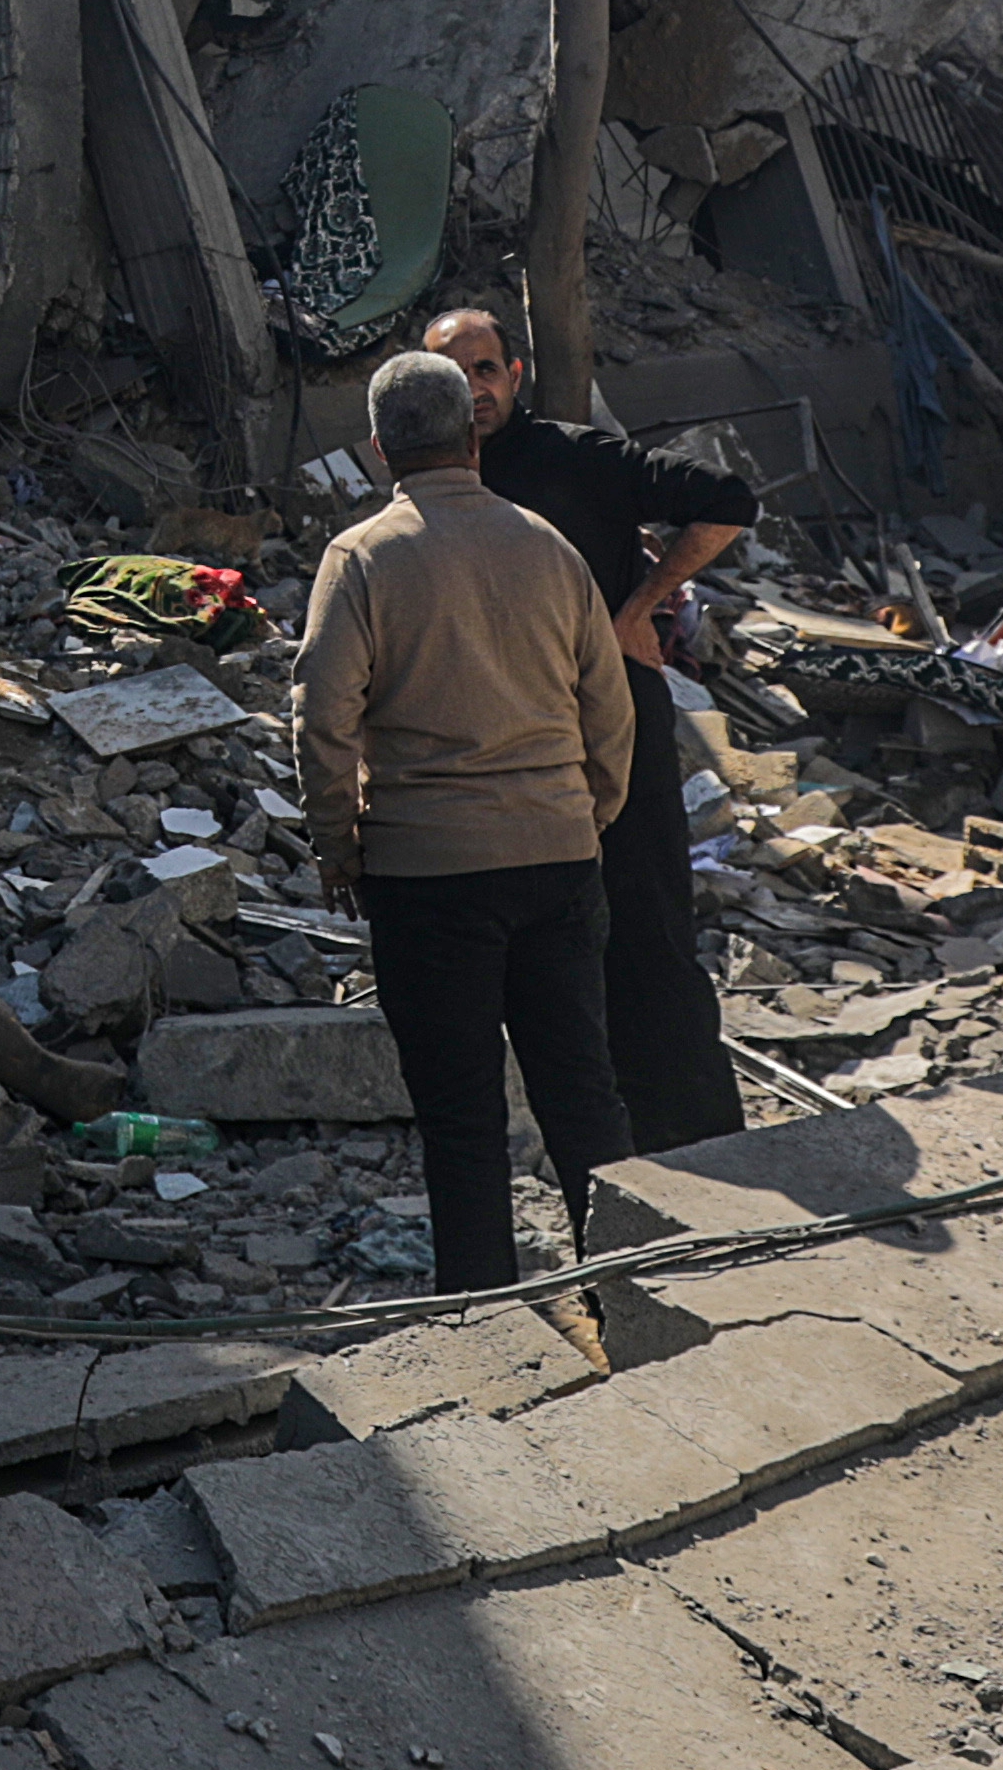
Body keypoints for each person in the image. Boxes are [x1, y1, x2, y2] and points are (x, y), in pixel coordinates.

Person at [298, 350, 633, 1292]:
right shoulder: (549, 547)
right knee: (583, 1097)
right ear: (472, 437)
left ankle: (481, 1315)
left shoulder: (362, 557)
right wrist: (585, 816)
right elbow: (610, 709)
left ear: (379, 449)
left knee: (460, 1116)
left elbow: (322, 718)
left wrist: (340, 846)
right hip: (558, 858)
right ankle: (632, 1293)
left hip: (427, 876)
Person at [420, 300, 744, 1151]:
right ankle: (601, 1144)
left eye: (485, 369)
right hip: (510, 742)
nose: (472, 388)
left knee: (648, 925)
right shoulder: (432, 483)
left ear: (515, 375)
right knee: (549, 943)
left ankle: (698, 1136)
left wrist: (638, 609)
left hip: (613, 724)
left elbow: (727, 500)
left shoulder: (574, 457)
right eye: (452, 374)